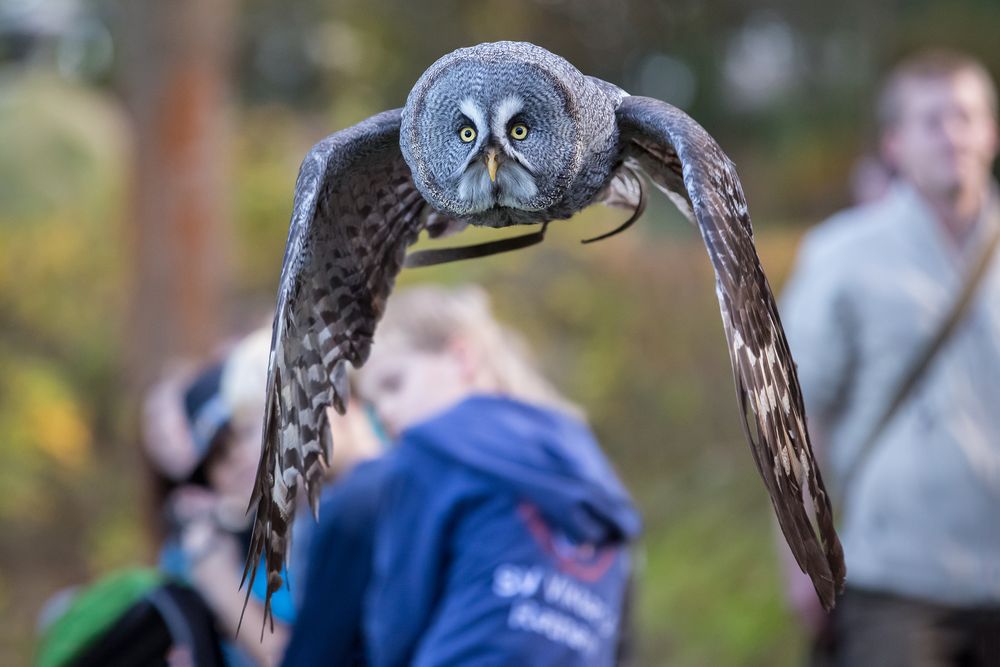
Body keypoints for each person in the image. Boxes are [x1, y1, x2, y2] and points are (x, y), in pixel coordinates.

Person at [282, 284, 641, 667]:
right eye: (373, 402)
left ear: (462, 358)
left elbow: (395, 624)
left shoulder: (431, 449)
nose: (385, 412)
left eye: (394, 384)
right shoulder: (590, 471)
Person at [780, 50, 1000, 665]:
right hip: (893, 585)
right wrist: (802, 556)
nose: (952, 134)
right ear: (895, 143)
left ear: (992, 131)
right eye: (931, 120)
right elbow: (798, 423)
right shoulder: (841, 256)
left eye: (966, 115)